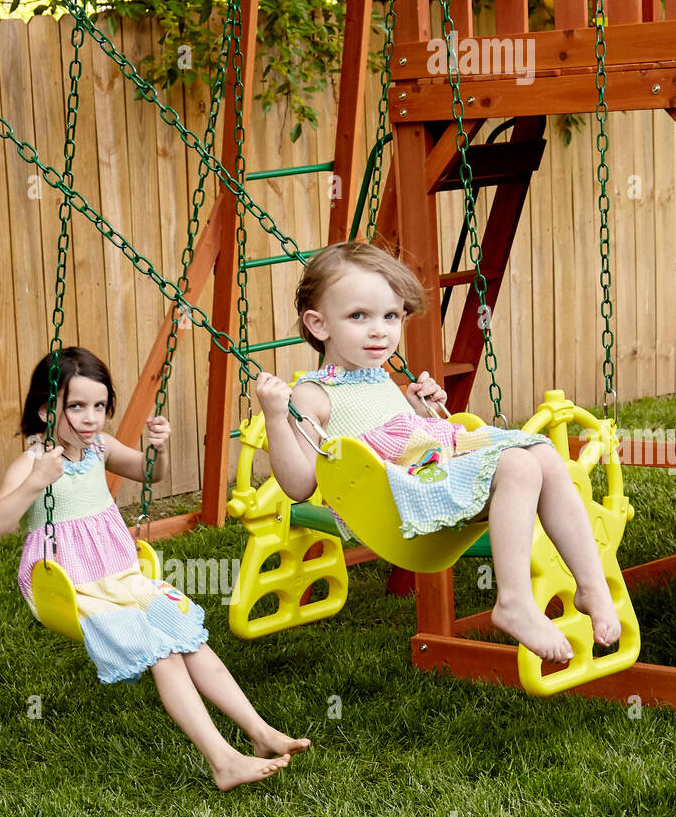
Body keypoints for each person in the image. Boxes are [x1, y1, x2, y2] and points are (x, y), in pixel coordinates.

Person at [254, 242, 621, 663]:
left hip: (427, 478)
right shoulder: (313, 394)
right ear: (319, 325)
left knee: (543, 454)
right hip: (394, 507)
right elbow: (300, 485)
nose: (380, 330)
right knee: (518, 464)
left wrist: (420, 411)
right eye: (359, 316)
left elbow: (401, 440)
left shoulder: (378, 377)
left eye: (391, 316)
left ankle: (591, 584)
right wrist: (276, 419)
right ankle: (514, 602)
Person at [0, 347, 309, 790]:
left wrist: (158, 449)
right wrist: (36, 482)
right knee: (163, 651)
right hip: (69, 589)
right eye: (75, 406)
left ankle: (261, 733)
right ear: (45, 409)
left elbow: (150, 475)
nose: (90, 417)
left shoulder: (100, 449)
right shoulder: (32, 462)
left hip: (121, 576)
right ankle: (222, 760)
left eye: (99, 406)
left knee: (187, 636)